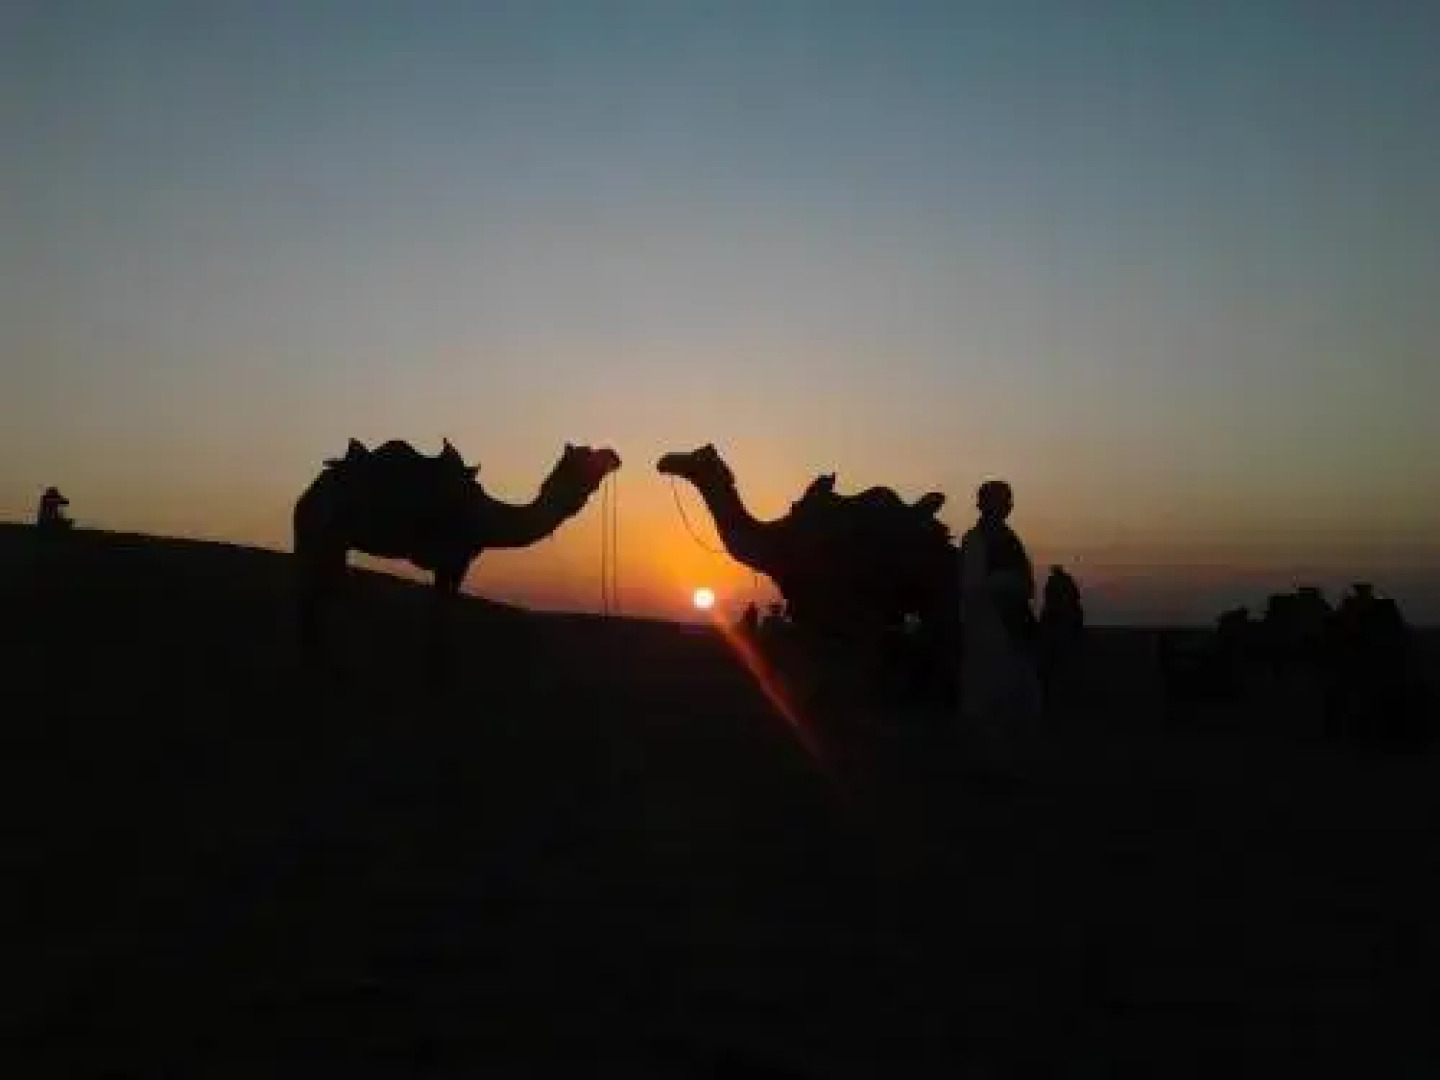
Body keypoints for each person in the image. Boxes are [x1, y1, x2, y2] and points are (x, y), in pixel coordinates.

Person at [958, 479, 1041, 761]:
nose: (1007, 505)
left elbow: (1027, 585)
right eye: (1002, 500)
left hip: (1015, 631)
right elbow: (973, 588)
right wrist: (1006, 582)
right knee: (988, 705)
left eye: (1008, 500)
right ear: (985, 504)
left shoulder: (1008, 539)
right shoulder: (975, 540)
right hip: (989, 632)